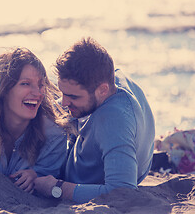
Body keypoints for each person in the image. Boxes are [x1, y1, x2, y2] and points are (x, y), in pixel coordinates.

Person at [34, 37, 155, 203]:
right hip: (84, 144)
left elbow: (123, 191)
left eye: (72, 96)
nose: (64, 102)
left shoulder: (113, 123)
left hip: (70, 177)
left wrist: (56, 188)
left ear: (103, 90)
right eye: (63, 93)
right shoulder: (112, 78)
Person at [0, 47, 68, 193]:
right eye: (25, 83)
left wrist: (36, 175)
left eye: (41, 85)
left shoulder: (54, 135)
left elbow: (50, 177)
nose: (38, 93)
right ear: (3, 89)